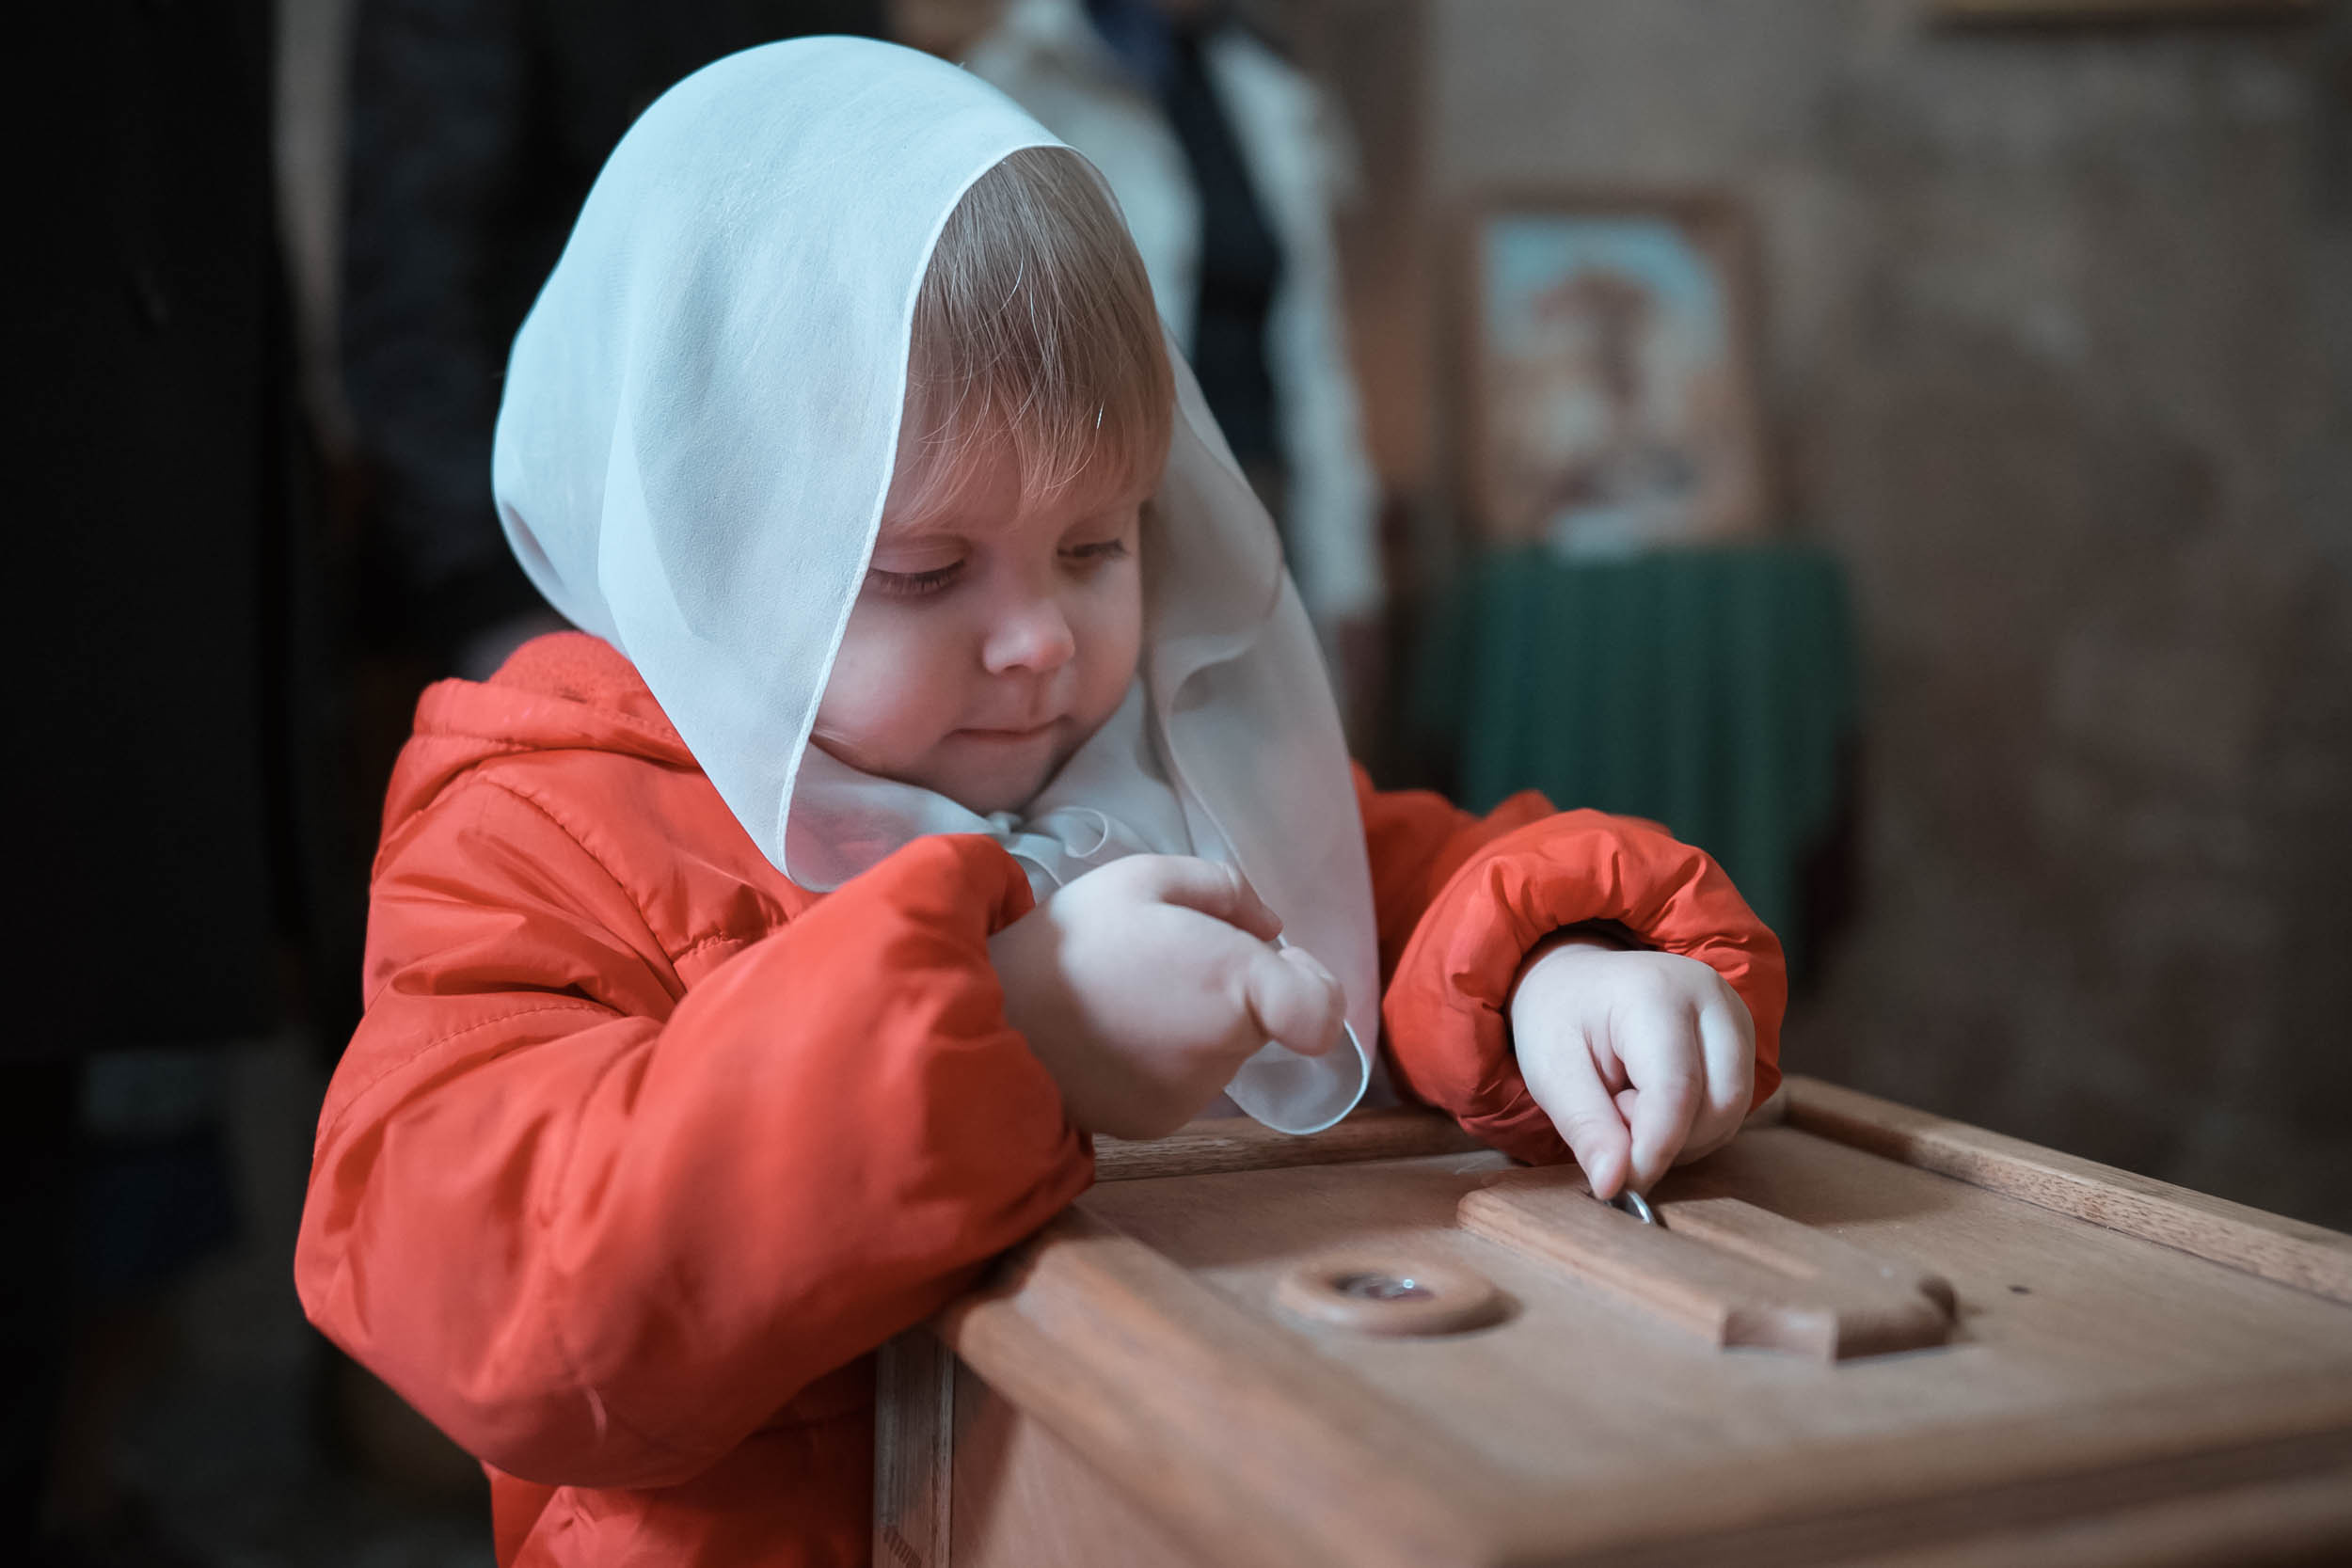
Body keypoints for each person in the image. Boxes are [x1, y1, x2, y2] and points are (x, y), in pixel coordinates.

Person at [294, 39, 1784, 1568]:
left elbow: (1419, 890)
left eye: (1097, 547)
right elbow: (497, 1297)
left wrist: (1561, 970)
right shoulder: (544, 840)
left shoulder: (1171, 760)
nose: (1042, 644)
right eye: (923, 571)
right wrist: (1004, 1032)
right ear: (710, 540)